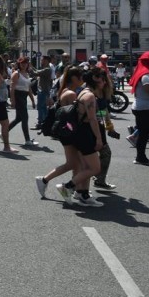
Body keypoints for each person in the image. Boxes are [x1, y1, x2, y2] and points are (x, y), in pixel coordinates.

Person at [53, 68, 105, 206]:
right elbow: (93, 119)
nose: (104, 82)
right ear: (95, 81)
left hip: (81, 133)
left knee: (87, 165)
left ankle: (83, 194)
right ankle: (68, 186)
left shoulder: (84, 92)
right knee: (95, 168)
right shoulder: (89, 96)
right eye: (101, 79)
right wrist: (99, 139)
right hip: (84, 134)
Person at [34, 68, 86, 201]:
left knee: (76, 163)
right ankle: (47, 180)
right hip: (70, 132)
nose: (82, 79)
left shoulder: (65, 90)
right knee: (74, 163)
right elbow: (77, 116)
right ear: (73, 78)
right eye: (80, 76)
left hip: (65, 131)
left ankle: (75, 189)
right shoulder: (71, 94)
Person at [6, 57, 38, 146]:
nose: (24, 64)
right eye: (22, 63)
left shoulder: (26, 74)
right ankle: (27, 140)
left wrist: (32, 100)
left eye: (26, 63)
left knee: (19, 118)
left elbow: (29, 88)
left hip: (24, 96)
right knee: (25, 118)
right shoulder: (16, 74)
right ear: (19, 64)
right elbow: (12, 88)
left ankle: (4, 132)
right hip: (18, 96)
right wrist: (12, 100)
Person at [33, 55, 53, 129]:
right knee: (43, 107)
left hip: (43, 90)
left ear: (47, 61)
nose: (41, 61)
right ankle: (43, 123)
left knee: (41, 107)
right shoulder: (46, 69)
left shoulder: (47, 69)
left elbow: (35, 73)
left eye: (42, 60)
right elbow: (37, 72)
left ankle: (41, 123)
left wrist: (30, 66)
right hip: (43, 90)